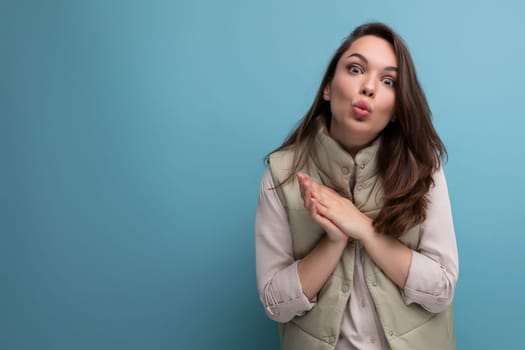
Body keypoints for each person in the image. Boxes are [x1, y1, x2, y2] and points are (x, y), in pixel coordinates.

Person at [254, 22, 459, 350]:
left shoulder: (424, 168)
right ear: (327, 87)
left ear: (397, 109)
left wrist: (363, 227)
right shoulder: (281, 174)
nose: (368, 87)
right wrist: (334, 240)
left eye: (388, 80)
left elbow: (440, 291)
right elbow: (276, 305)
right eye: (355, 69)